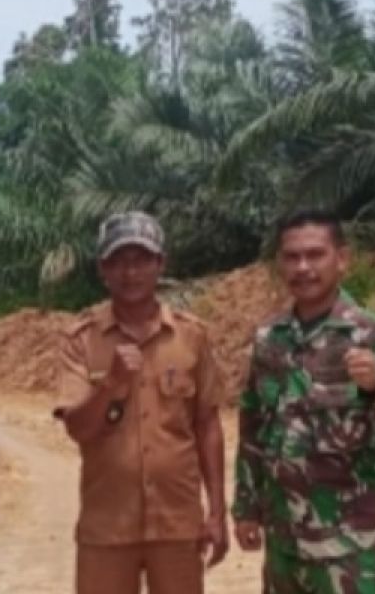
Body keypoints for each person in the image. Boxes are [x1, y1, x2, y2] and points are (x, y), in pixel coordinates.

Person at [232, 209, 375, 594]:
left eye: (315, 254)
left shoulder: (372, 334)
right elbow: (253, 428)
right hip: (284, 544)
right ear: (280, 264)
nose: (303, 267)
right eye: (292, 257)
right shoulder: (269, 339)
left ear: (341, 259)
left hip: (350, 548)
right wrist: (246, 508)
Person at [54, 212, 228, 594]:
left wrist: (217, 512)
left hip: (177, 525)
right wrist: (110, 385)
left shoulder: (192, 336)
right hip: (107, 526)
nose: (129, 272)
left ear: (160, 264)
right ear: (103, 268)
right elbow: (78, 429)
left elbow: (207, 425)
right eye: (118, 261)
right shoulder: (81, 341)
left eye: (141, 259)